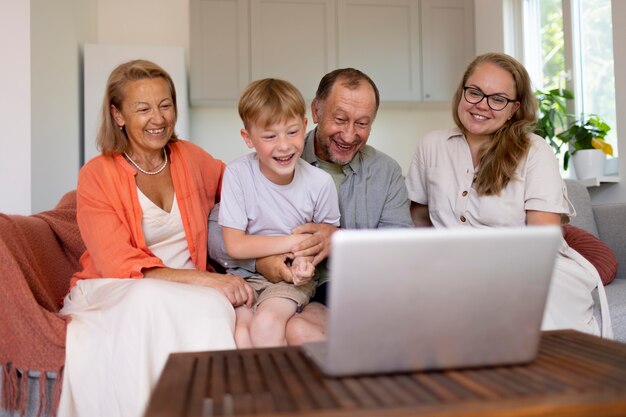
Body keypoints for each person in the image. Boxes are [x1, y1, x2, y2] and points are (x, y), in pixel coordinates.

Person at [58, 60, 255, 417]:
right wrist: (209, 280)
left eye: (165, 105)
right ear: (118, 116)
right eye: (143, 108)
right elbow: (119, 264)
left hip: (187, 287)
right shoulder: (97, 175)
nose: (158, 118)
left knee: (212, 310)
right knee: (153, 298)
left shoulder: (189, 158)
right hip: (116, 287)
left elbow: (245, 192)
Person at [404, 52, 612, 338]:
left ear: (514, 108)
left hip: (529, 267)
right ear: (462, 92)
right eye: (474, 92)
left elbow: (543, 241)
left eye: (497, 99)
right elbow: (418, 221)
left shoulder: (534, 150)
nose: (482, 105)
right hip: (453, 267)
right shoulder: (432, 145)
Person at [209, 68, 414, 344]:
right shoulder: (269, 160)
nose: (349, 134)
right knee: (249, 330)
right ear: (316, 112)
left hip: (347, 289)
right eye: (340, 119)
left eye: (362, 124)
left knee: (288, 328)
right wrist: (261, 262)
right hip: (288, 284)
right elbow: (216, 234)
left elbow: (401, 250)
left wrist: (340, 240)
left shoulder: (385, 172)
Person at [219, 78, 341, 348]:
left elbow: (322, 244)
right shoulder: (237, 175)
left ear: (306, 126)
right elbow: (234, 244)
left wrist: (303, 263)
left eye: (292, 132)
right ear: (248, 138)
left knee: (266, 324)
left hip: (293, 279)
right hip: (243, 276)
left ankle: (277, 390)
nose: (284, 145)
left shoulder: (319, 183)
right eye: (270, 136)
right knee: (239, 334)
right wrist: (294, 241)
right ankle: (256, 390)